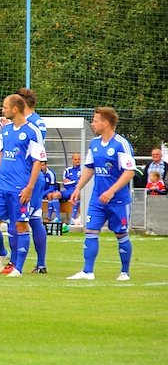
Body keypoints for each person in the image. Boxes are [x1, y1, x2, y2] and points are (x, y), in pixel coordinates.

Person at [67, 107, 136, 281]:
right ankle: (87, 271)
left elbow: (129, 172)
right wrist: (77, 188)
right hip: (98, 199)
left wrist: (112, 191)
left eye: (96, 120)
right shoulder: (95, 144)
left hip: (118, 200)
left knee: (121, 234)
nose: (93, 123)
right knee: (90, 230)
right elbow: (89, 168)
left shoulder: (121, 144)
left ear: (106, 123)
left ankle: (124, 272)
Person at [0, 94, 46, 277]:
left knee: (21, 226)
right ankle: (3, 253)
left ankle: (18, 268)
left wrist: (29, 187)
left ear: (15, 109)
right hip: (1, 186)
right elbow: (3, 154)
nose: (2, 110)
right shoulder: (5, 130)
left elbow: (38, 161)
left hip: (19, 187)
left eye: (5, 107)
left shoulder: (32, 131)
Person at [14, 88, 49, 274]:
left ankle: (39, 263)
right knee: (25, 219)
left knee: (33, 219)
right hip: (18, 177)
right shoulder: (18, 123)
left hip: (31, 178)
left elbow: (35, 153)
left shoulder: (36, 124)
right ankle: (25, 263)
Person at [56, 152, 82, 224]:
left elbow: (82, 182)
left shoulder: (83, 170)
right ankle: (57, 219)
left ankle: (72, 219)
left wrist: (72, 181)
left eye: (79, 159)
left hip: (77, 191)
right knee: (55, 195)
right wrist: (76, 181)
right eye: (75, 159)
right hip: (68, 191)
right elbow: (65, 184)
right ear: (72, 160)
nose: (77, 161)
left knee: (78, 195)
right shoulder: (67, 170)